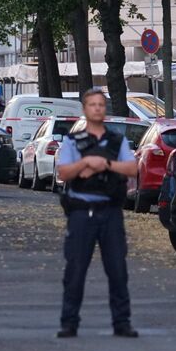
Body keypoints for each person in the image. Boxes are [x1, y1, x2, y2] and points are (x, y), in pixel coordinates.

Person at [55, 89, 139, 338]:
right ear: (85, 109)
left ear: (105, 109)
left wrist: (106, 164)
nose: (97, 108)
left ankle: (122, 323)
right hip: (81, 213)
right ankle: (69, 323)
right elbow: (64, 173)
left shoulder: (116, 141)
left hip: (110, 212)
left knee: (117, 269)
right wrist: (85, 163)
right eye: (92, 104)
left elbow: (132, 168)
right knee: (75, 270)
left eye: (101, 104)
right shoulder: (72, 141)